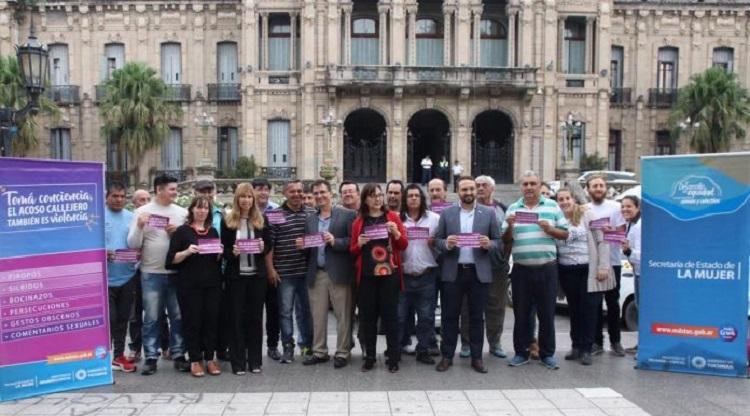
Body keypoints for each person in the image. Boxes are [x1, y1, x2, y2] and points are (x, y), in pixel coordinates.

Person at [434, 176, 501, 374]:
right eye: (464, 189)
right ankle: (447, 356)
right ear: (458, 191)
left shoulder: (488, 213)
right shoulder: (447, 213)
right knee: (449, 316)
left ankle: (477, 357)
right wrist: (446, 244)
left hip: (477, 273)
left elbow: (499, 241)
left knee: (476, 317)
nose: (469, 193)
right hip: (453, 273)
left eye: (471, 189)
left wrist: (489, 244)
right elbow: (437, 240)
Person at [503, 170, 569, 370]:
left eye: (533, 184)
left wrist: (550, 230)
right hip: (521, 270)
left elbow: (565, 233)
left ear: (540, 186)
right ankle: (520, 352)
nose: (529, 187)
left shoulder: (552, 206)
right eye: (525, 184)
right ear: (521, 187)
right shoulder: (513, 208)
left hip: (546, 269)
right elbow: (505, 240)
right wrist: (509, 226)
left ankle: (547, 354)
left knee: (546, 313)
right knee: (521, 314)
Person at [128, 174, 189, 375]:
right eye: (172, 189)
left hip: (176, 272)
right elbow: (133, 244)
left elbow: (188, 243)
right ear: (159, 189)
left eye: (176, 189)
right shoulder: (141, 212)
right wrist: (139, 226)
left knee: (178, 316)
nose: (175, 192)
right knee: (152, 317)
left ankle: (178, 354)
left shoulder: (182, 213)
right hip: (151, 273)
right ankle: (151, 357)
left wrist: (177, 234)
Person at [349, 183, 408, 372]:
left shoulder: (392, 217)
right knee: (368, 318)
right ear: (365, 199)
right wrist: (358, 244)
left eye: (379, 195)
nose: (377, 199)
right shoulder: (359, 222)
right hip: (367, 276)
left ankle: (393, 357)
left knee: (391, 317)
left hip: (389, 274)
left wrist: (396, 233)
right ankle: (370, 357)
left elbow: (403, 245)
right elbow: (352, 251)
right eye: (373, 196)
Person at [297, 180, 356, 369]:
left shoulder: (347, 215)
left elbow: (353, 242)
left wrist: (335, 241)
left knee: (343, 315)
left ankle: (342, 352)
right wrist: (302, 246)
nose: (319, 196)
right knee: (318, 315)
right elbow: (309, 250)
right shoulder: (310, 220)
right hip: (317, 273)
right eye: (316, 193)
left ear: (331, 193)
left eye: (322, 192)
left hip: (339, 271)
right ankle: (319, 351)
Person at [555, 188, 614, 366]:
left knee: (589, 309)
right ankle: (576, 346)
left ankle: (587, 348)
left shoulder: (587, 215)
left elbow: (602, 239)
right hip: (566, 270)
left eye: (567, 198)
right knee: (574, 309)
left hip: (588, 269)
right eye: (560, 199)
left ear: (574, 199)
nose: (564, 202)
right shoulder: (555, 218)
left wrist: (603, 266)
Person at [166, 196, 223, 377]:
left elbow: (216, 261)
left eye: (205, 208)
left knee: (211, 321)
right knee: (193, 321)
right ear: (191, 210)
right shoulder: (182, 231)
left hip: (212, 284)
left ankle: (210, 358)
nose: (202, 211)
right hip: (189, 285)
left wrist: (219, 253)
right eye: (198, 208)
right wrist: (186, 252)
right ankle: (195, 360)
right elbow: (171, 260)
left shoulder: (213, 231)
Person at [221, 183, 272, 375]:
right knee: (236, 319)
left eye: (249, 197)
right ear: (237, 199)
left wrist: (263, 247)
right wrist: (232, 252)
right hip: (236, 277)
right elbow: (224, 249)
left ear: (254, 199)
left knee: (255, 319)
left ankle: (255, 361)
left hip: (257, 277)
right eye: (243, 197)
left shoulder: (262, 219)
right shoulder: (228, 221)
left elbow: (269, 245)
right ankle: (238, 362)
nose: (246, 200)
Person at [459, 175, 509, 359]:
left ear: (492, 189)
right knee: (467, 307)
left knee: (496, 306)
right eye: (477, 185)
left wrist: (503, 256)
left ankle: (495, 343)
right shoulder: (463, 210)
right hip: (471, 266)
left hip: (496, 266)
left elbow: (505, 239)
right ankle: (466, 343)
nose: (480, 188)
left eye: (484, 185)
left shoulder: (503, 209)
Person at [265, 180, 315, 363]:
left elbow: (316, 240)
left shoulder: (311, 213)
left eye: (299, 191)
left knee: (306, 312)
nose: (297, 194)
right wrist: (270, 269)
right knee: (285, 312)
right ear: (285, 193)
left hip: (306, 272)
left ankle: (306, 346)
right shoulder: (275, 215)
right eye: (292, 191)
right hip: (284, 272)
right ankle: (288, 347)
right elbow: (269, 245)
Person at [586, 174, 627, 357]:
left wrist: (610, 232)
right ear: (588, 189)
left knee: (613, 303)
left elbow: (622, 234)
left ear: (606, 188)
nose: (598, 189)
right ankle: (597, 342)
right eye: (595, 186)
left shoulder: (616, 207)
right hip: (592, 263)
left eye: (601, 185)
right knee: (594, 305)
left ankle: (615, 341)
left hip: (613, 262)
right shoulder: (584, 209)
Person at [398, 184, 440, 365]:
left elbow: (443, 243)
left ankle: (423, 350)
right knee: (400, 316)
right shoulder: (397, 220)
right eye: (410, 196)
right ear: (405, 199)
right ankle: (397, 349)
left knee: (426, 317)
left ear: (422, 198)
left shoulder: (435, 219)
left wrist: (435, 243)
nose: (414, 198)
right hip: (403, 276)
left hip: (426, 276)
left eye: (417, 195)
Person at [193, 179, 230, 361]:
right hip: (197, 270)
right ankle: (199, 351)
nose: (206, 195)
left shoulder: (222, 214)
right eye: (202, 191)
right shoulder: (190, 215)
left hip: (219, 267)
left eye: (209, 191)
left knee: (221, 312)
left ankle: (221, 349)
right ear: (195, 193)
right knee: (199, 313)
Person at [105, 182, 138, 373]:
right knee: (110, 319)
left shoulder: (131, 217)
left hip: (127, 276)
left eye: (122, 196)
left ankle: (118, 356)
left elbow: (137, 242)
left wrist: (138, 253)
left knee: (123, 318)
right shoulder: (97, 217)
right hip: (105, 279)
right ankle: (103, 357)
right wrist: (102, 253)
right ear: (107, 197)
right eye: (115, 196)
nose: (119, 200)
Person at [252, 178, 281, 360]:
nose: (263, 193)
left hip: (274, 266)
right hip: (252, 267)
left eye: (266, 189)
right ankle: (249, 345)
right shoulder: (245, 210)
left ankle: (272, 345)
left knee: (273, 309)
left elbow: (278, 238)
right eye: (259, 189)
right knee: (252, 310)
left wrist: (272, 268)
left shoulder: (276, 211)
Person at [128, 189, 152, 360]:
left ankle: (165, 346)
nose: (145, 203)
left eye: (148, 199)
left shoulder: (157, 219)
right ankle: (135, 348)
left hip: (153, 269)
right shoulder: (130, 218)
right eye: (141, 200)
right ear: (134, 203)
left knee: (157, 310)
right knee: (135, 312)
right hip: (134, 270)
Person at [621, 195, 641, 355]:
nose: (625, 209)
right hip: (637, 272)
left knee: (644, 309)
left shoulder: (639, 226)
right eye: (623, 206)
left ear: (637, 207)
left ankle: (644, 346)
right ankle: (641, 343)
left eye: (629, 206)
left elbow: (641, 254)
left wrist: (628, 251)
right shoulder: (630, 224)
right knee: (640, 307)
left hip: (644, 273)